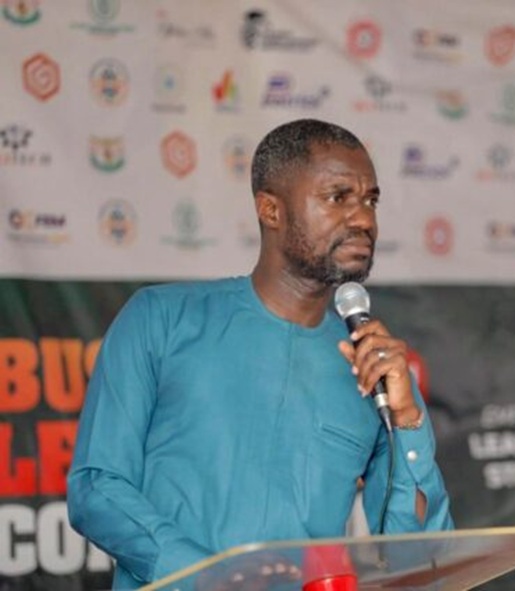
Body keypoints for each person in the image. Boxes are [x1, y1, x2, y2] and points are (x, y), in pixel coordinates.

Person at [67, 118, 454, 589]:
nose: (363, 220)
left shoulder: (373, 370)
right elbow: (97, 488)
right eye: (338, 198)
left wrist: (408, 424)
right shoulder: (161, 319)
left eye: (370, 200)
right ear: (271, 210)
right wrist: (210, 578)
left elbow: (414, 559)